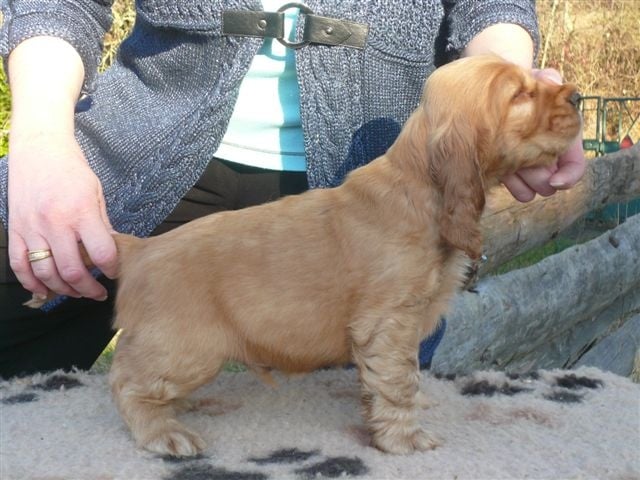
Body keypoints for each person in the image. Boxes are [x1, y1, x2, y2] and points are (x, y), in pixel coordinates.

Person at [0, 0, 585, 378]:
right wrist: (41, 141)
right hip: (127, 156)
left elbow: (490, 8)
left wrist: (510, 94)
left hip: (369, 189)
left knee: (357, 418)